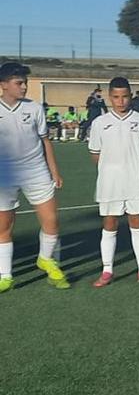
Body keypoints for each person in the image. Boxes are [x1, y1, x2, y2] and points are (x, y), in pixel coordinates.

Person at [0, 62, 68, 293]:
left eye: (25, 83)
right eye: (19, 83)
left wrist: (55, 171)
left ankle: (45, 259)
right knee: (4, 228)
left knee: (51, 221)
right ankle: (5, 276)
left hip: (36, 171)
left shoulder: (35, 109)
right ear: (3, 85)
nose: (24, 87)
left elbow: (45, 141)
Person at [89, 76, 139, 287]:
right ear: (110, 97)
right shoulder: (100, 123)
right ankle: (107, 270)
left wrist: (136, 169)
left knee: (137, 223)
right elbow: (95, 154)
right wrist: (110, 170)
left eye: (125, 96)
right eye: (116, 97)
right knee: (109, 225)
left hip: (135, 182)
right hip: (110, 183)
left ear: (131, 96)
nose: (120, 101)